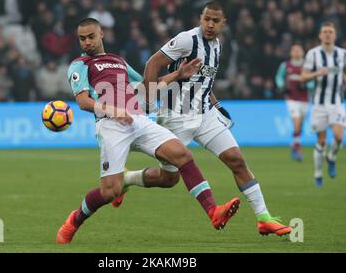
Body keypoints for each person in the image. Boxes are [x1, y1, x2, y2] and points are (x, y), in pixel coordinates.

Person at [114, 1, 292, 236]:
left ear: (223, 23)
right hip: (175, 117)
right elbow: (153, 63)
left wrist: (216, 104)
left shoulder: (217, 46)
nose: (210, 25)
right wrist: (147, 99)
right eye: (206, 19)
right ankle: (128, 178)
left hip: (205, 115)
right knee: (169, 179)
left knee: (237, 160)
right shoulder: (187, 40)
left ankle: (264, 218)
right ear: (201, 18)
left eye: (215, 21)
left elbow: (204, 80)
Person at [56, 18, 240, 244]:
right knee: (110, 191)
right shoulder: (79, 65)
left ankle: (213, 211)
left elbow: (145, 88)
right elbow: (83, 102)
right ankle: (75, 220)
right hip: (111, 126)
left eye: (91, 37)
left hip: (137, 119)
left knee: (181, 156)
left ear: (101, 34)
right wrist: (113, 110)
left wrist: (177, 75)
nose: (87, 42)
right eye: (82, 39)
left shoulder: (118, 61)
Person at [301, 22, 346, 187]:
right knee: (321, 141)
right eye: (324, 32)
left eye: (330, 32)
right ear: (320, 35)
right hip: (319, 104)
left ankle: (331, 158)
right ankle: (318, 174)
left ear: (335, 35)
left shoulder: (343, 54)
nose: (327, 34)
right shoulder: (313, 54)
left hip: (337, 103)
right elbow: (303, 76)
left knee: (338, 137)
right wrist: (318, 72)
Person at [275, 44, 312, 161]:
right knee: (296, 122)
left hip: (305, 99)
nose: (296, 52)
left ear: (302, 52)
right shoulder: (286, 65)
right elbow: (279, 78)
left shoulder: (308, 66)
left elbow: (313, 80)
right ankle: (297, 148)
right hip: (291, 99)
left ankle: (294, 144)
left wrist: (307, 84)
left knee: (299, 125)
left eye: (298, 50)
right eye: (294, 50)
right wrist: (282, 86)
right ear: (291, 53)